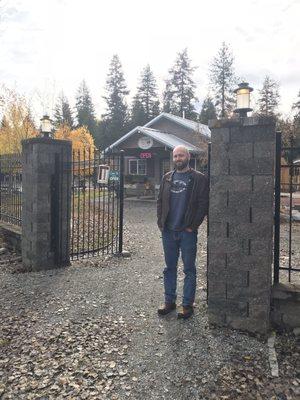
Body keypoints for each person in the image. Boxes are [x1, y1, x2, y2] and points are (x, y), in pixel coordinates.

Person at [157, 145, 209, 319]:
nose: (178, 158)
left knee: (189, 269)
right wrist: (160, 222)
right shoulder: (166, 177)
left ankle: (187, 305)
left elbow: (203, 204)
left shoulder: (199, 178)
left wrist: (193, 226)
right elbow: (160, 201)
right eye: (175, 156)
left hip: (187, 232)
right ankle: (169, 302)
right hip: (168, 231)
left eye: (181, 155)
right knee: (169, 268)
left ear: (188, 156)